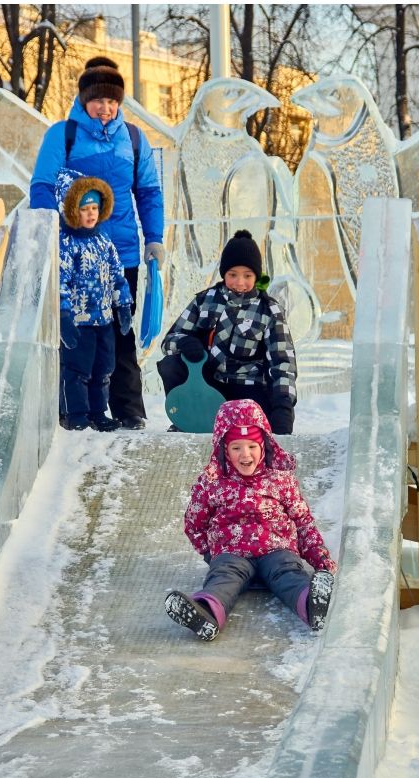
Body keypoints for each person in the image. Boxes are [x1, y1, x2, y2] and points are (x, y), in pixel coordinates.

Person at [29, 56, 163, 429]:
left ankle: (128, 408)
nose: (105, 108)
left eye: (112, 101)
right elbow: (42, 186)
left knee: (119, 331)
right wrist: (49, 237)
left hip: (121, 253)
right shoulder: (63, 134)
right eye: (98, 100)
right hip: (72, 254)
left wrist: (154, 239)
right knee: (74, 331)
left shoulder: (134, 138)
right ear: (84, 100)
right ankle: (73, 408)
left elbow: (149, 191)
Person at [166, 400, 336, 641]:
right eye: (236, 447)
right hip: (231, 554)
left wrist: (321, 561)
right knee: (223, 579)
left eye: (252, 446)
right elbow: (194, 521)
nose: (245, 455)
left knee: (289, 574)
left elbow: (302, 521)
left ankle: (311, 605)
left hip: (276, 550)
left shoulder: (280, 479)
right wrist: (210, 553)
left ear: (264, 446)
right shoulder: (212, 482)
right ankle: (205, 613)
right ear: (224, 449)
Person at [156, 230, 298, 434]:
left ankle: (245, 422)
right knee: (172, 364)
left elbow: (283, 362)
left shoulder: (268, 310)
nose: (240, 282)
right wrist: (185, 343)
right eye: (233, 275)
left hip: (247, 388)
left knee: (246, 428)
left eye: (247, 276)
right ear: (224, 274)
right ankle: (188, 418)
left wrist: (283, 407)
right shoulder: (205, 300)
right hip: (209, 385)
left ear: (257, 276)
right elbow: (168, 341)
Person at [51, 168, 131, 431]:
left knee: (103, 368)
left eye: (95, 207)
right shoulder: (66, 243)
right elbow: (60, 281)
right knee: (77, 369)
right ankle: (75, 414)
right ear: (71, 209)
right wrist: (63, 315)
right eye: (84, 208)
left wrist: (123, 304)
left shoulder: (103, 240)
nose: (91, 213)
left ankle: (98, 411)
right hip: (79, 320)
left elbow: (117, 274)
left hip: (103, 319)